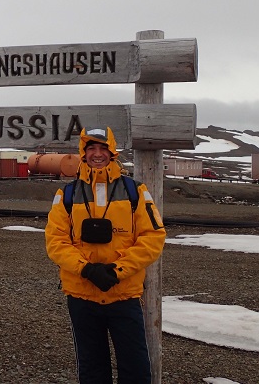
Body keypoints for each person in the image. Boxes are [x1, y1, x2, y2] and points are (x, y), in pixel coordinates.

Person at [45, 127, 166, 384]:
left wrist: (117, 271)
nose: (97, 154)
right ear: (83, 152)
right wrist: (86, 269)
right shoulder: (66, 195)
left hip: (124, 294)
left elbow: (153, 237)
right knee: (92, 370)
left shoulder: (135, 191)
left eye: (102, 148)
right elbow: (55, 242)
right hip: (82, 294)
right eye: (91, 148)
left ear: (112, 152)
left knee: (136, 369)